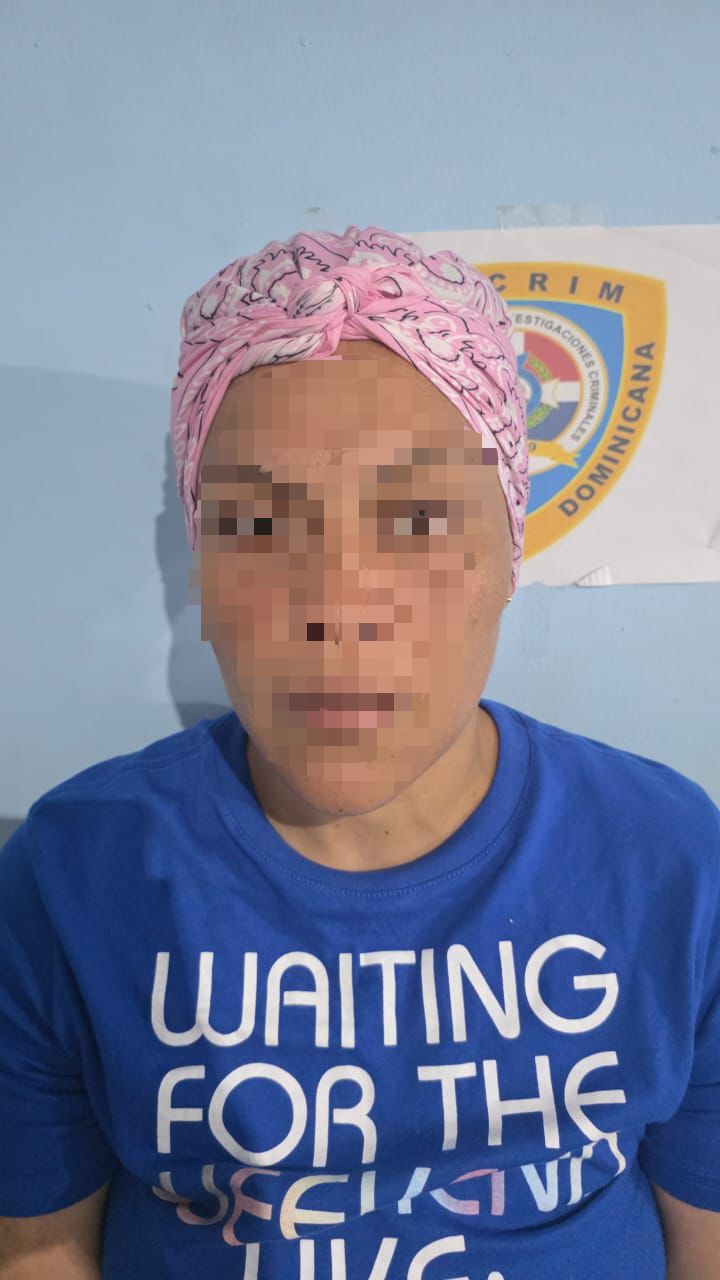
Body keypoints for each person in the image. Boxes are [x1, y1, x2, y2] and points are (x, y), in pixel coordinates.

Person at [0, 226, 718, 1280]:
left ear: (508, 555)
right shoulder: (73, 875)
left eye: (418, 519)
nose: (335, 610)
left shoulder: (671, 860)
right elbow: (40, 1248)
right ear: (201, 566)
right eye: (258, 524)